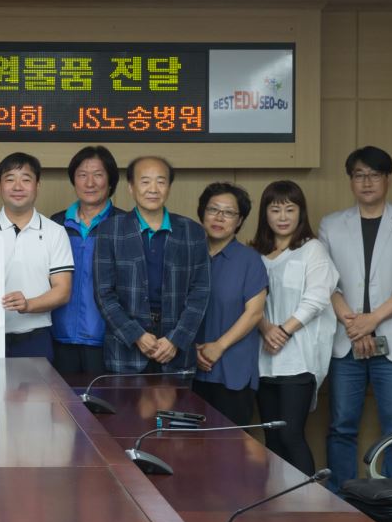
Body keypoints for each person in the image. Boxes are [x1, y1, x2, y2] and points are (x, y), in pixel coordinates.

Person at [320, 146, 392, 490]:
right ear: (350, 180)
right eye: (359, 175)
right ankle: (341, 498)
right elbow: (326, 281)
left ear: (388, 179)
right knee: (341, 424)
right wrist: (355, 325)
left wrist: (372, 320)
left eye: (374, 174)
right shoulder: (331, 225)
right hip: (346, 341)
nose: (366, 182)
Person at [251, 180, 338, 474]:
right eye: (275, 210)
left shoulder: (312, 249)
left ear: (301, 212)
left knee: (291, 434)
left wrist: (283, 331)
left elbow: (317, 298)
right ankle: (280, 498)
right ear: (265, 213)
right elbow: (247, 300)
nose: (283, 217)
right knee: (273, 438)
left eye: (290, 209)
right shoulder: (256, 254)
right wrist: (265, 328)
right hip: (264, 359)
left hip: (299, 359)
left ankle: (310, 499)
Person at [94, 156, 210, 373]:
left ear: (169, 187)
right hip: (126, 351)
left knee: (176, 398)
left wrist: (177, 339)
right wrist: (136, 334)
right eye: (145, 181)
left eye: (161, 181)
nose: (153, 189)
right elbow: (104, 294)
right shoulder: (110, 230)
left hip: (176, 351)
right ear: (131, 187)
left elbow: (200, 292)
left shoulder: (192, 231)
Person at [0, 152, 73, 361]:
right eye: (10, 179)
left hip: (36, 338)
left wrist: (28, 305)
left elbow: (62, 291)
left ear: (37, 186)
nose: (18, 187)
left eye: (26, 179)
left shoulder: (55, 232)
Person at [191, 183, 268, 426]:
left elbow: (254, 313)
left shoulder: (250, 260)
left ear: (239, 220)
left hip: (233, 368)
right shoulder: (189, 256)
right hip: (190, 367)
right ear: (202, 213)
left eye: (228, 213)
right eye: (213, 209)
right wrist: (191, 349)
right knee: (188, 442)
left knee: (230, 443)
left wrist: (218, 347)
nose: (219, 217)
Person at [50, 146, 120, 375]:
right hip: (59, 336)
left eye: (98, 175)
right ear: (74, 180)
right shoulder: (55, 224)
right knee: (60, 398)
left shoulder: (124, 225)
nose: (90, 183)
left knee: (107, 398)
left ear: (110, 181)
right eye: (82, 175)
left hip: (109, 339)